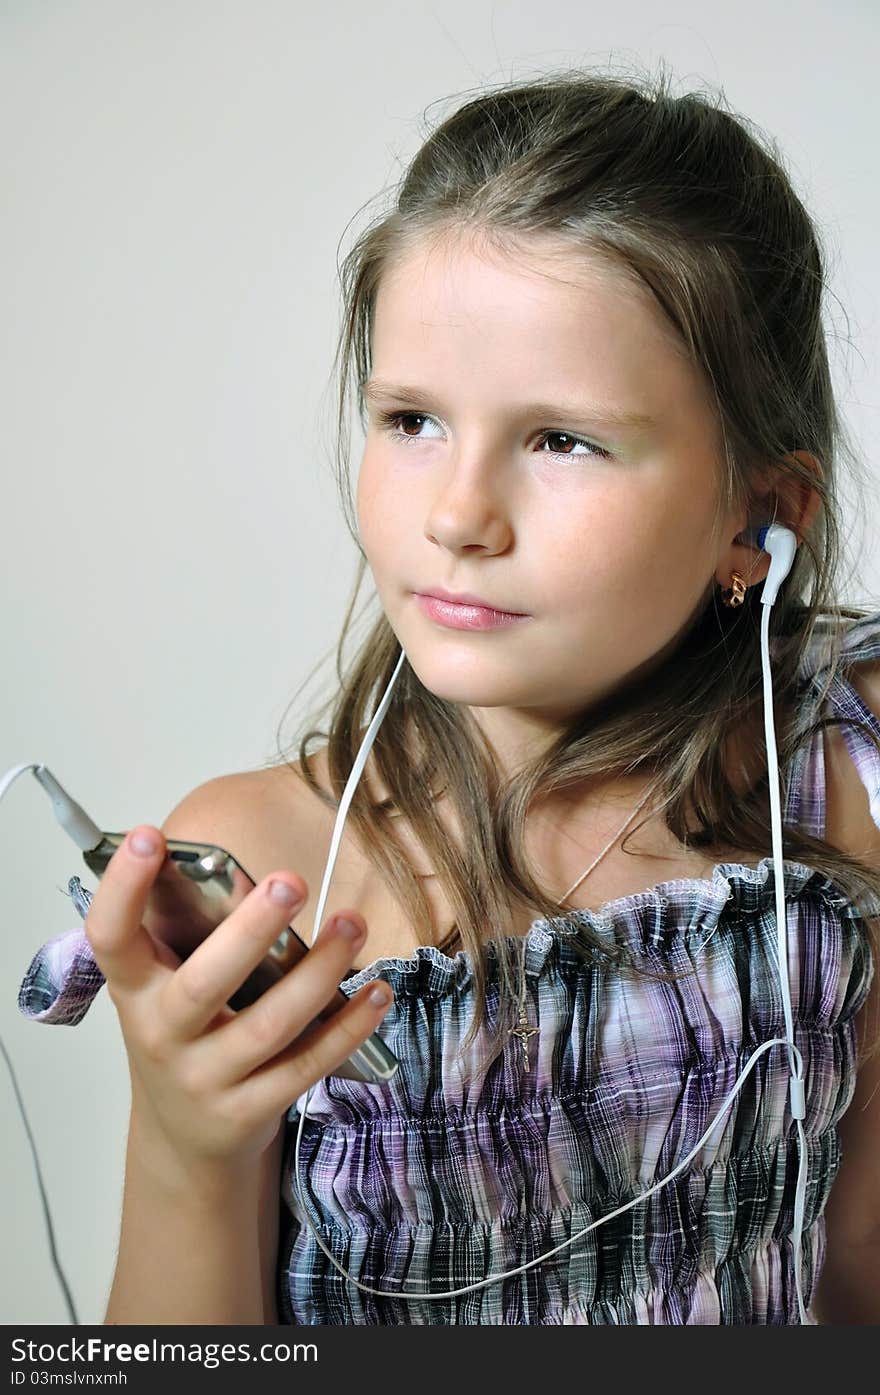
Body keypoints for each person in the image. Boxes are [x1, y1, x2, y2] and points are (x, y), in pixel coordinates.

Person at [19, 64, 880, 1326]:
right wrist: (187, 1146)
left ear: (760, 517)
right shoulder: (272, 873)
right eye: (412, 419)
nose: (457, 516)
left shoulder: (838, 773)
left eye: (563, 440)